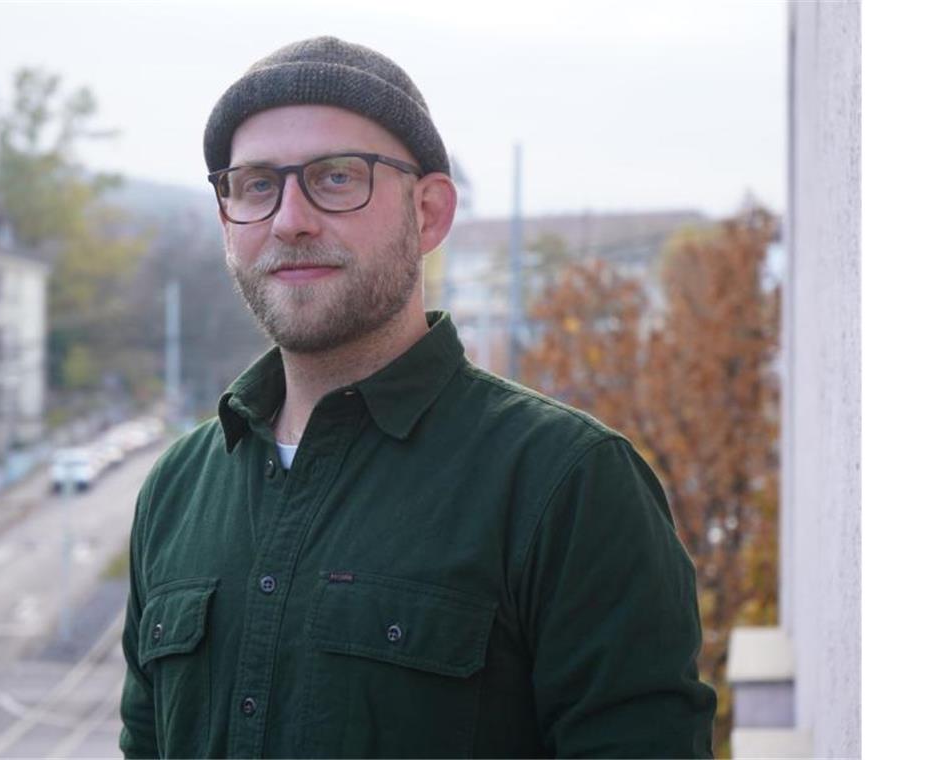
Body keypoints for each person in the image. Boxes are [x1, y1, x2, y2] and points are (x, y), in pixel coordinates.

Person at [119, 36, 716, 758]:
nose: (289, 219)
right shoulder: (177, 491)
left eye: (336, 178)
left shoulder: (569, 483)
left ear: (429, 213)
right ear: (226, 221)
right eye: (254, 186)